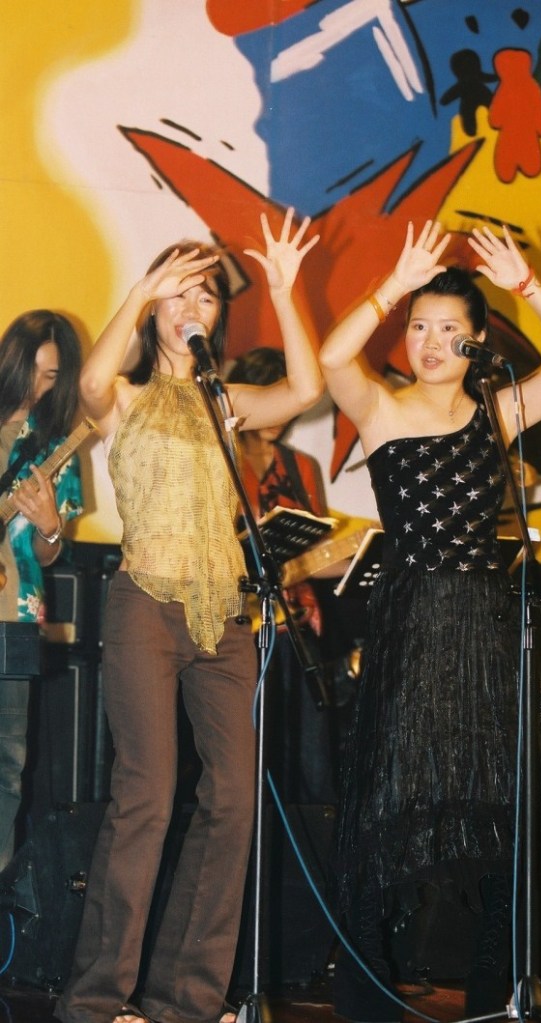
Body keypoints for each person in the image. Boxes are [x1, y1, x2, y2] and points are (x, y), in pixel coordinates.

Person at [318, 220, 541, 1020]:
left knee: (503, 810)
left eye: (448, 330)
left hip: (485, 626)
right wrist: (391, 286)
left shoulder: (496, 413)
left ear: (476, 343)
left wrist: (530, 287)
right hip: (412, 623)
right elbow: (334, 359)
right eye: (418, 326)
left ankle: (494, 992)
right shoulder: (381, 406)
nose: (430, 343)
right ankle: (367, 988)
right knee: (387, 805)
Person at [55, 207, 322, 1023]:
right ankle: (95, 1000)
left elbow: (305, 389)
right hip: (145, 599)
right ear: (153, 307)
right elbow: (90, 385)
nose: (191, 306)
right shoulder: (127, 395)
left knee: (235, 797)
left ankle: (186, 999)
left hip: (224, 614)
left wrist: (286, 288)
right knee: (148, 794)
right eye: (177, 293)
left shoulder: (225, 400)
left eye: (205, 295)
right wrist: (142, 289)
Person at [226, 346, 340, 805]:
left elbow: (316, 553)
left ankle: (314, 837)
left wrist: (364, 553)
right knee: (242, 754)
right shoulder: (221, 455)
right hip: (234, 623)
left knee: (312, 755)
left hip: (293, 623)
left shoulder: (302, 466)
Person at [0, 310, 83, 871]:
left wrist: (50, 526)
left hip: (14, 614)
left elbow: (48, 552)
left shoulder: (57, 446)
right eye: (30, 370)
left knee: (7, 763)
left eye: (50, 376)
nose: (36, 386)